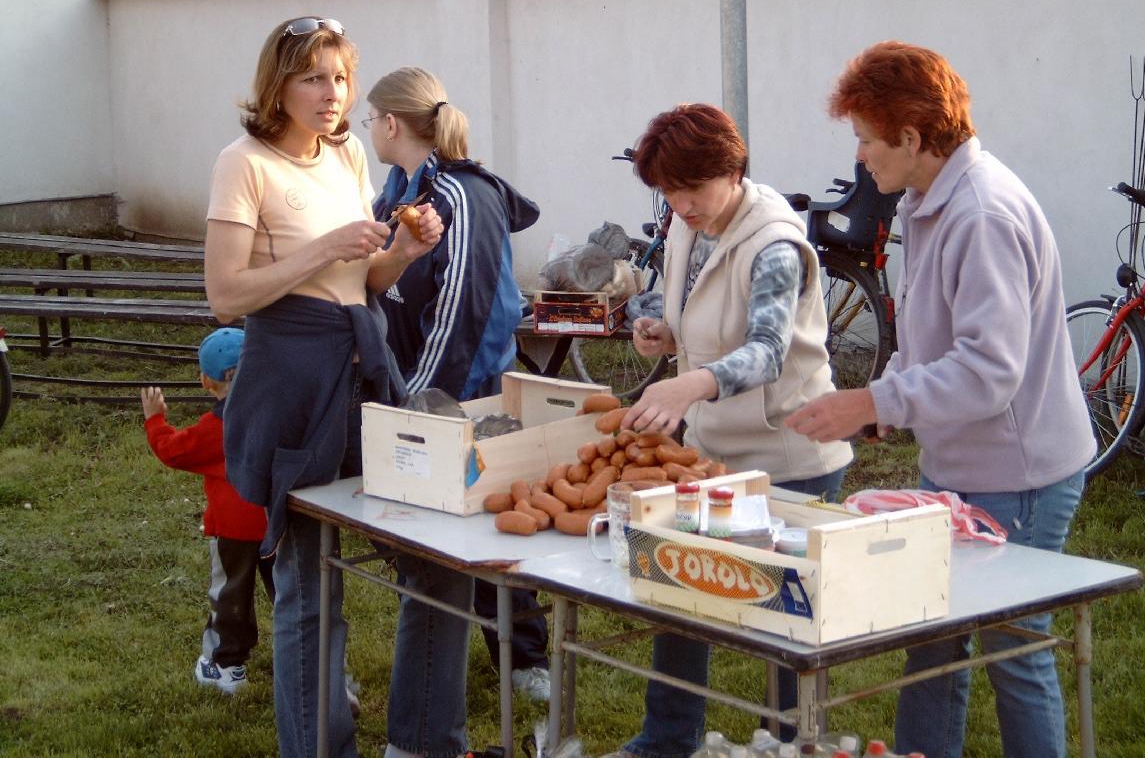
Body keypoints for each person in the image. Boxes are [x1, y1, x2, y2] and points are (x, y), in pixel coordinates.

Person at [786, 41, 1095, 758]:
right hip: (961, 464)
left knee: (1014, 650)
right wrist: (889, 404)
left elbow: (989, 372)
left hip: (1019, 474)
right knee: (930, 638)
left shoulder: (982, 214)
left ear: (911, 136)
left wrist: (874, 403)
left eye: (866, 138)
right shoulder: (929, 199)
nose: (859, 156)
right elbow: (934, 339)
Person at [204, 16, 443, 758]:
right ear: (277, 85)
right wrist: (322, 250)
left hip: (365, 367)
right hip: (293, 382)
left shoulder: (345, 154)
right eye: (313, 78)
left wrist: (403, 252)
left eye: (340, 78)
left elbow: (361, 277)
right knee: (310, 583)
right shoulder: (243, 163)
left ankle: (421, 740)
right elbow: (225, 296)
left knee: (435, 552)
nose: (332, 93)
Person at [608, 103, 853, 758]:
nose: (681, 205)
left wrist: (689, 385)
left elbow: (766, 353)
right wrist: (664, 332)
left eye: (692, 188)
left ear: (732, 170)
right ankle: (667, 739)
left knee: (785, 622)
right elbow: (700, 315)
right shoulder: (690, 225)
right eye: (668, 192)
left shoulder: (774, 244)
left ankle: (792, 744)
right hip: (711, 451)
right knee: (678, 595)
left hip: (791, 456)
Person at [363, 66, 552, 725]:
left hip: (466, 399)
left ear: (391, 123)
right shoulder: (394, 193)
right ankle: (444, 656)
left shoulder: (462, 196)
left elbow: (467, 312)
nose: (367, 131)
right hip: (417, 398)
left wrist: (417, 401)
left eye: (369, 119)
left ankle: (525, 659)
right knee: (432, 543)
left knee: (492, 529)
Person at [140, 327, 274, 695]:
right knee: (290, 594)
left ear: (205, 381)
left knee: (230, 596)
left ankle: (225, 667)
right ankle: (307, 661)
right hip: (277, 521)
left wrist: (155, 420)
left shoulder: (214, 427)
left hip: (232, 529)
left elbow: (173, 450)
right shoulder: (277, 413)